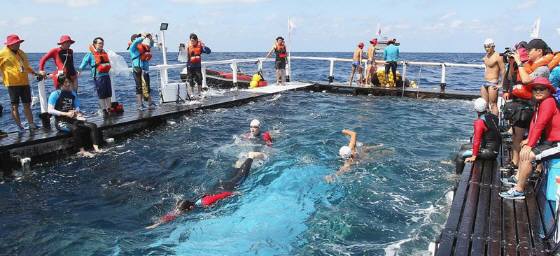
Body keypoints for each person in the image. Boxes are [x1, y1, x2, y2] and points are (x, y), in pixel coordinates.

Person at [146, 158, 254, 229]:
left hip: (227, 187)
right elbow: (173, 214)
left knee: (241, 176)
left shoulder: (205, 202)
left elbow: (223, 195)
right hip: (217, 188)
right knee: (235, 173)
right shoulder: (187, 205)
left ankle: (250, 158)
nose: (180, 213)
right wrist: (157, 224)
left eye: (183, 212)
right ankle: (240, 161)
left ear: (191, 207)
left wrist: (235, 193)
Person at [500, 77, 560, 200]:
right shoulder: (540, 103)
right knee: (524, 148)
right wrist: (528, 141)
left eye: (542, 89)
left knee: (528, 155)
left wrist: (530, 145)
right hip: (550, 142)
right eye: (535, 89)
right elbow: (534, 123)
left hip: (557, 143)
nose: (538, 91)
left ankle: (519, 190)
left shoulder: (548, 102)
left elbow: (540, 124)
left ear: (549, 91)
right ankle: (517, 179)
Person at [505, 39, 552, 170]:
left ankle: (537, 169)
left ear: (539, 51)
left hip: (535, 107)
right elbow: (512, 79)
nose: (527, 53)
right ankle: (515, 163)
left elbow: (526, 80)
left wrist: (519, 62)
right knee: (517, 136)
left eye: (530, 50)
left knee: (535, 140)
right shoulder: (528, 64)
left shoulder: (543, 69)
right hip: (522, 105)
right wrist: (513, 63)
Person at [47, 74, 102, 157]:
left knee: (92, 126)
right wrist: (66, 113)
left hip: (72, 119)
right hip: (61, 122)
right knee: (75, 129)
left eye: (69, 82)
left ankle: (96, 148)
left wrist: (76, 112)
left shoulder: (73, 94)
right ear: (61, 84)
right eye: (66, 82)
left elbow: (77, 107)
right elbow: (50, 110)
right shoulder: (55, 94)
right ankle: (82, 151)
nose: (68, 84)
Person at [0, 34, 39, 133]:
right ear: (9, 44)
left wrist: (35, 73)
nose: (18, 45)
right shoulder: (3, 53)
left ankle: (31, 124)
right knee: (15, 106)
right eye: (15, 43)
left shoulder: (22, 53)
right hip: (12, 84)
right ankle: (20, 127)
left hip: (24, 82)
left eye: (18, 43)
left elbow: (26, 66)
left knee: (27, 104)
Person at [78, 37, 112, 116]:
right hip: (98, 76)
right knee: (102, 94)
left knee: (108, 94)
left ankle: (109, 109)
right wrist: (79, 71)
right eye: (99, 43)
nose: (101, 45)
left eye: (102, 43)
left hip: (106, 75)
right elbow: (84, 63)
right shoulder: (90, 54)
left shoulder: (104, 53)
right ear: (94, 44)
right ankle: (104, 110)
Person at [463, 98, 501, 163]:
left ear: (475, 109)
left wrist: (474, 156)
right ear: (486, 107)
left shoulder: (479, 122)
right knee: (463, 146)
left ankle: (457, 173)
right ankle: (454, 162)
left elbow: (477, 140)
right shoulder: (494, 116)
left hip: (489, 153)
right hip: (495, 150)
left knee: (462, 154)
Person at [128, 33, 155, 110]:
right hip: (137, 69)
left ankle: (150, 102)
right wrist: (142, 36)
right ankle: (140, 105)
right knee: (139, 87)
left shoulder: (143, 47)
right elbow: (137, 41)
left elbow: (151, 44)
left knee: (147, 86)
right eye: (137, 39)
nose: (140, 40)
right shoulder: (133, 47)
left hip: (145, 69)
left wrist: (150, 38)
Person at [481, 38, 505, 116]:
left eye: (488, 46)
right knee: (484, 105)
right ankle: (487, 123)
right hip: (484, 82)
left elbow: (503, 70)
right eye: (485, 47)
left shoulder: (498, 56)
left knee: (493, 105)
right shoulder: (486, 57)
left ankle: (495, 125)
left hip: (493, 83)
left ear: (493, 47)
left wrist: (501, 84)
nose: (486, 49)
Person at [186, 33, 211, 98]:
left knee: (199, 79)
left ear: (196, 40)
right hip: (190, 66)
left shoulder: (200, 47)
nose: (192, 42)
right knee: (190, 79)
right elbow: (182, 56)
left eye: (193, 41)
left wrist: (204, 46)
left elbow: (208, 52)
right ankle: (192, 93)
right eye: (191, 41)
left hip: (197, 66)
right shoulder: (188, 47)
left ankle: (199, 93)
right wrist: (181, 50)